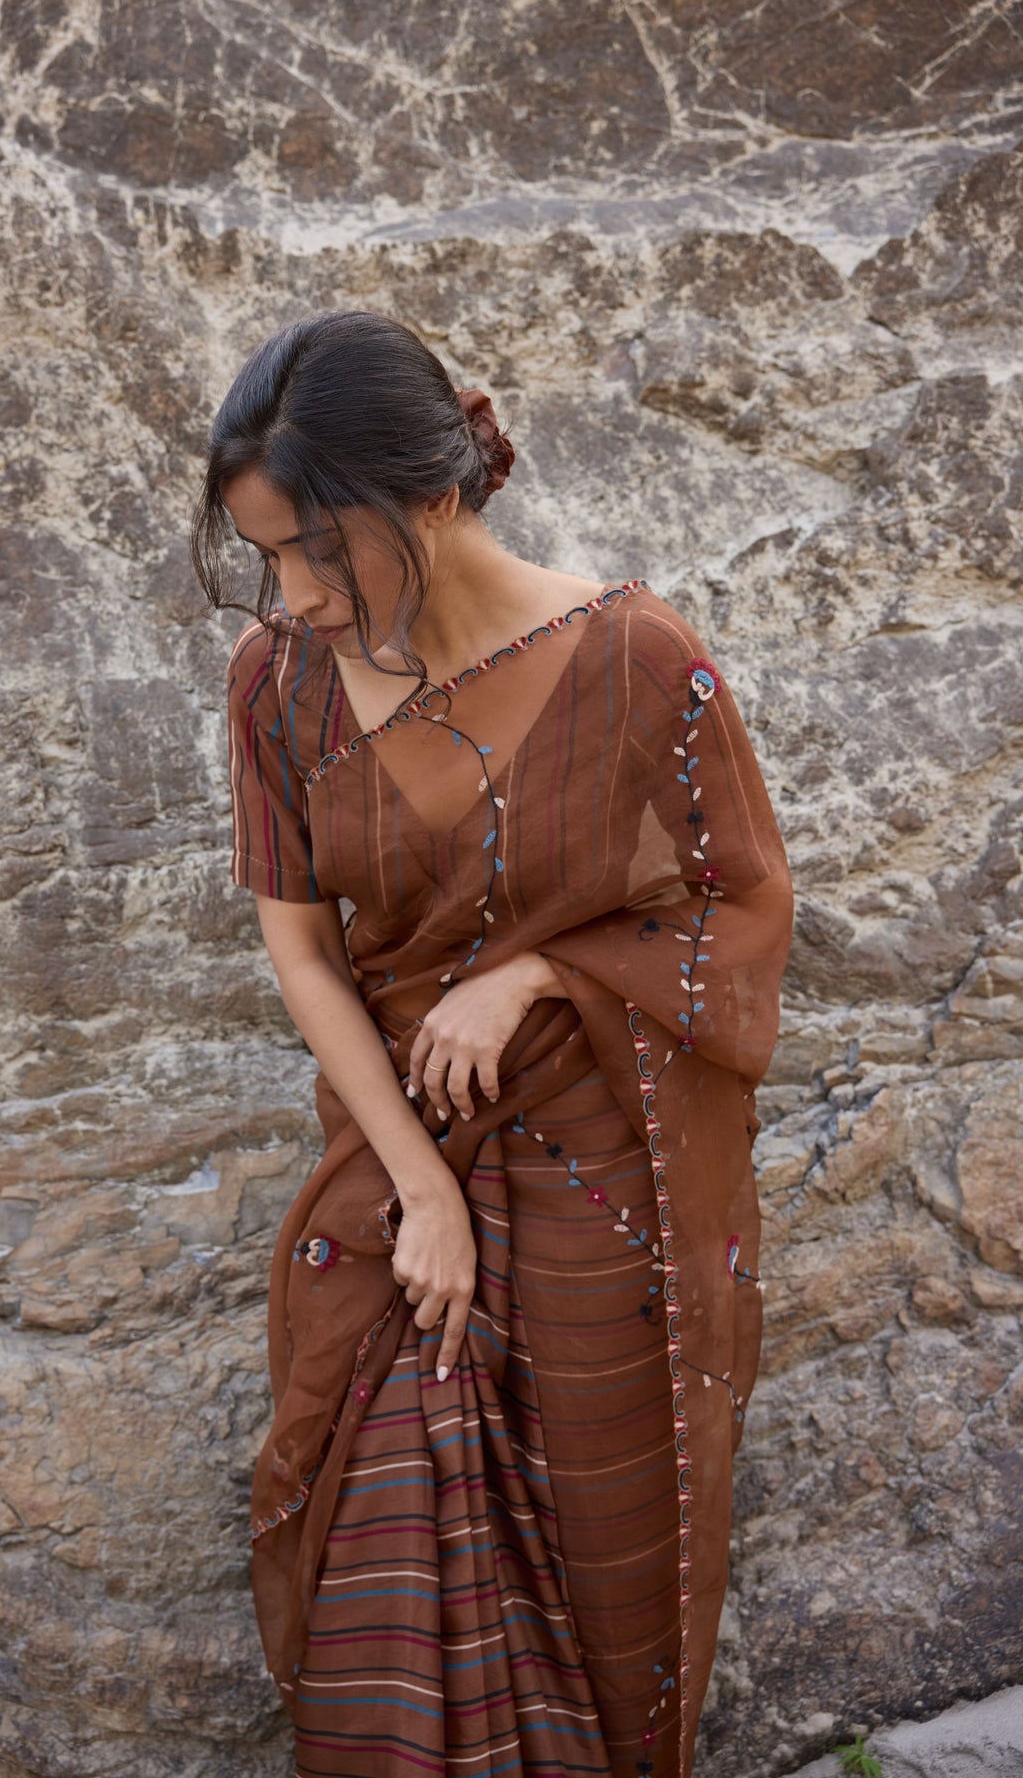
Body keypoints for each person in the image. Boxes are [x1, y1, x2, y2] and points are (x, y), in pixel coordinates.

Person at [191, 308, 794, 1778]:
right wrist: (425, 1190)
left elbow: (742, 912)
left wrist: (533, 975)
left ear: (437, 497)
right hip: (401, 1196)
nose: (294, 593)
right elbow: (302, 950)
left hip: (608, 1195)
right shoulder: (278, 686)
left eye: (317, 552)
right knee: (377, 1580)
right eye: (265, 556)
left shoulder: (644, 660)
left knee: (602, 1591)